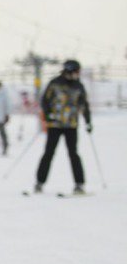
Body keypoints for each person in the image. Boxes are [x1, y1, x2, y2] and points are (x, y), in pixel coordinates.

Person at [34, 59, 92, 195]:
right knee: (49, 153)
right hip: (55, 124)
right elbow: (45, 101)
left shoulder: (78, 86)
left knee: (74, 154)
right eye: (77, 71)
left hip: (71, 125)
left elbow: (84, 104)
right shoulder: (55, 84)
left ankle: (79, 184)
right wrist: (48, 116)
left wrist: (88, 121)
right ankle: (39, 183)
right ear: (70, 70)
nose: (78, 74)